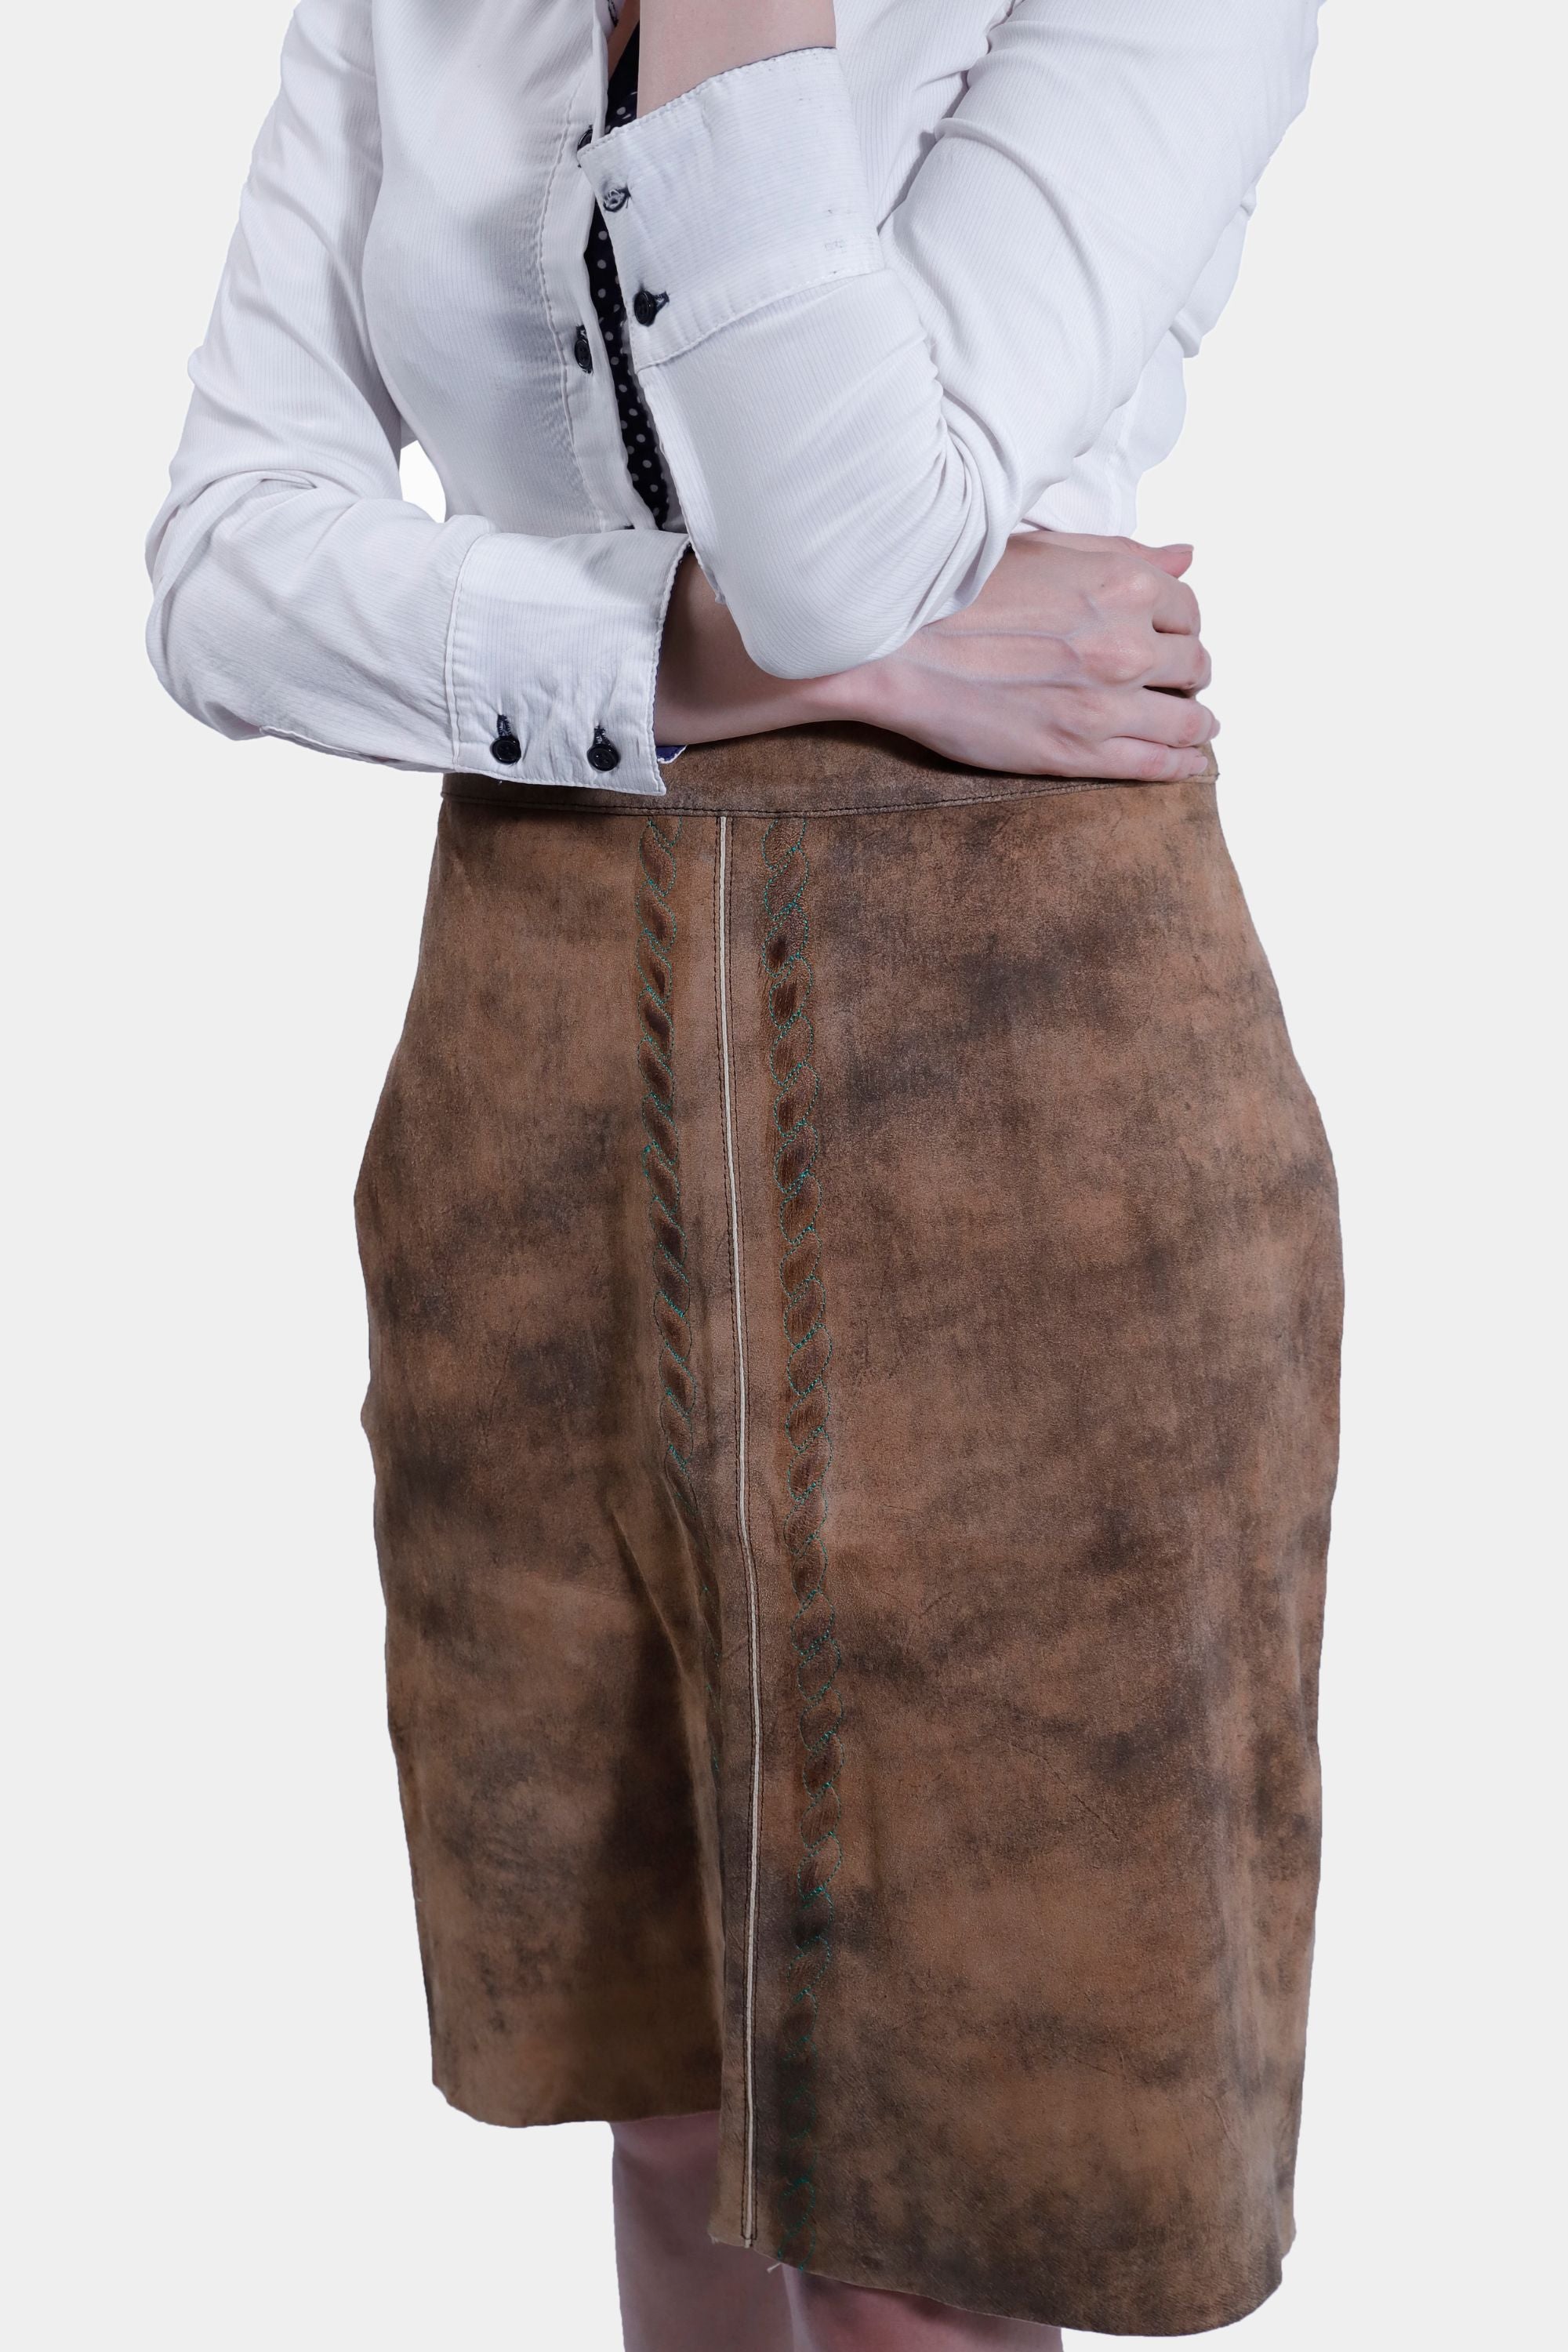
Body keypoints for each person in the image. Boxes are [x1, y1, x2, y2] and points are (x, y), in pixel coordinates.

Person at [147, 2, 1340, 2343]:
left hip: (1006, 1100)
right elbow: (216, 572)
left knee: (934, 2192)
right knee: (675, 2103)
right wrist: (682, 663)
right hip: (532, 1086)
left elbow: (844, 539)